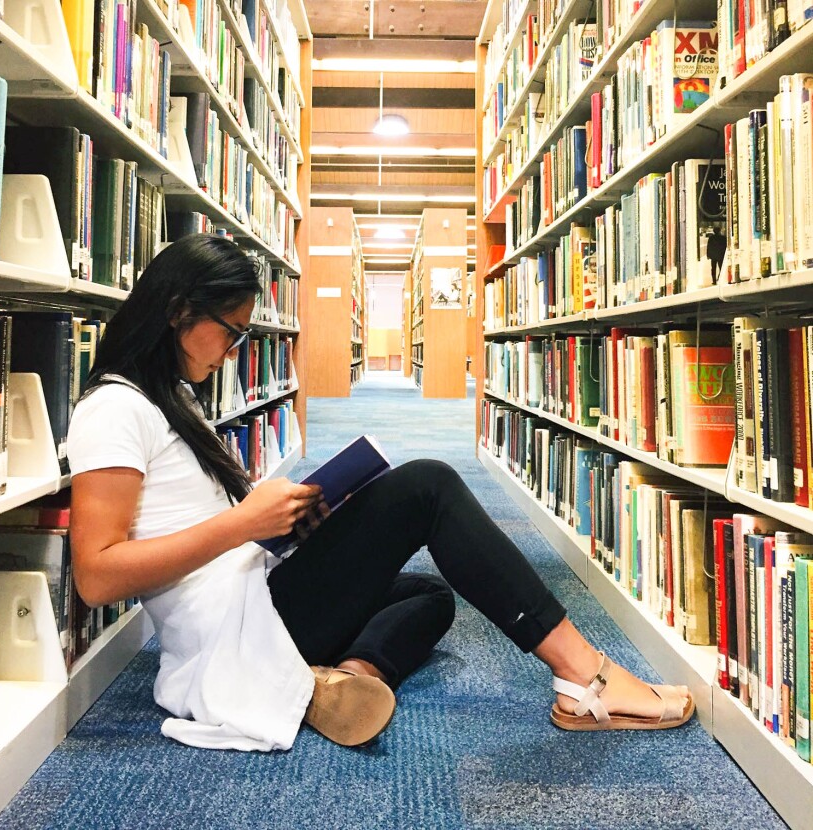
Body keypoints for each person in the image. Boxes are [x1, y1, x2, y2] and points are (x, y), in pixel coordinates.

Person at [67, 234, 694, 751]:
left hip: (254, 587)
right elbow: (96, 575)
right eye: (231, 332)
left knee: (428, 595)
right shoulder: (113, 409)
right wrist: (242, 525)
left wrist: (289, 521)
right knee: (430, 486)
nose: (234, 352)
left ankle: (341, 678)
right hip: (236, 624)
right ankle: (586, 676)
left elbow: (194, 521)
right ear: (179, 309)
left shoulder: (170, 396)